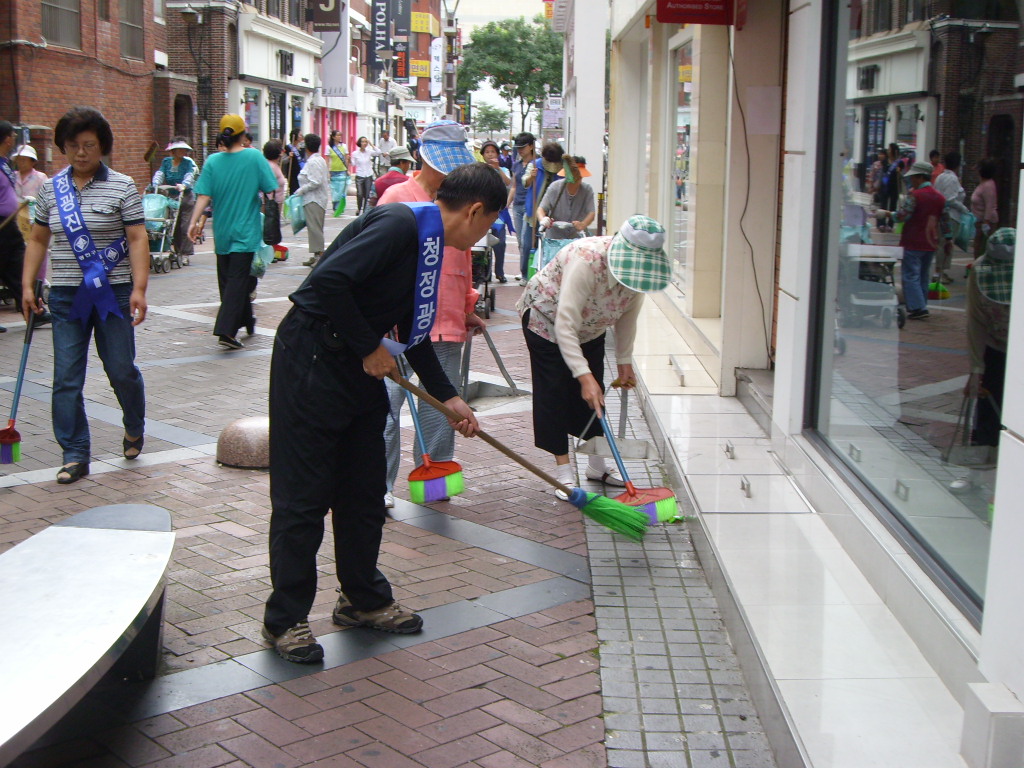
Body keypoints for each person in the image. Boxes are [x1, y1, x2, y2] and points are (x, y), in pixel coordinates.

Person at [261, 162, 506, 663]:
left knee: (363, 490)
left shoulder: (433, 244)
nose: (484, 239)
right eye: (488, 226)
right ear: (476, 210)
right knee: (303, 499)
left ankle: (362, 600)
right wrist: (368, 344)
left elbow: (412, 331)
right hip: (312, 361)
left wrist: (448, 394)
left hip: (359, 367)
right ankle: (285, 620)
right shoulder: (400, 224)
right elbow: (324, 284)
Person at [21, 107, 150, 484]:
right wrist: (28, 285)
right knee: (66, 378)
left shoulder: (122, 186)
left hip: (113, 293)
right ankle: (75, 453)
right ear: (63, 146)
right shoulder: (50, 190)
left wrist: (140, 288)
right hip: (64, 295)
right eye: (73, 145)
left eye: (89, 145)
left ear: (102, 146)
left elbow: (137, 237)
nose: (81, 153)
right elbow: (39, 239)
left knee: (122, 370)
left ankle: (134, 423)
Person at [516, 215, 671, 499]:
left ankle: (597, 466)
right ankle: (564, 473)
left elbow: (627, 319)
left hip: (592, 327)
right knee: (555, 392)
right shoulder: (587, 261)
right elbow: (565, 324)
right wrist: (582, 375)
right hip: (546, 320)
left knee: (594, 393)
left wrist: (624, 362)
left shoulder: (638, 274)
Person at [377, 121, 481, 509]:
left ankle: (434, 481)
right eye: (443, 165)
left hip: (448, 316)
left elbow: (465, 255)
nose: (448, 173)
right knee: (387, 407)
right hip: (398, 323)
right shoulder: (396, 197)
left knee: (441, 407)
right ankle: (380, 486)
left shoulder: (458, 199)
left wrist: (468, 305)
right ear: (422, 157)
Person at [187, 114, 278, 349]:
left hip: (222, 232)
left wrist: (193, 222)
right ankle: (226, 331)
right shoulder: (254, 157)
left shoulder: (213, 161)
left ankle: (247, 320)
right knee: (237, 283)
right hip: (246, 231)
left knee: (230, 282)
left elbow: (204, 196)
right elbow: (270, 187)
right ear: (244, 135)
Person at [965, 227, 1014, 454]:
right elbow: (976, 322)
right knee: (988, 407)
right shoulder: (978, 271)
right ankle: (978, 468)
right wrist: (976, 368)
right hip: (995, 348)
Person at [878, 160, 946, 320]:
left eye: (914, 177)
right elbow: (945, 221)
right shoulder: (940, 198)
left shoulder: (915, 195)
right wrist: (948, 239)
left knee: (910, 275)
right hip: (931, 242)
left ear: (921, 177)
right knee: (923, 275)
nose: (912, 180)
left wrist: (887, 214)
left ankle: (917, 307)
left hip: (913, 240)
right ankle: (922, 303)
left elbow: (903, 216)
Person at [521, 141, 565, 283]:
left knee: (550, 246)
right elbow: (524, 182)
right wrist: (531, 177)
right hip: (533, 212)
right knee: (527, 244)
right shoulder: (535, 164)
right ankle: (525, 274)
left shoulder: (564, 167)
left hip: (554, 215)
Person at [0, 122, 28, 334]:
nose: (13, 140)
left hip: (10, 224)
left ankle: (31, 310)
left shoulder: (5, 163)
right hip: (2, 224)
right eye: (12, 136)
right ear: (7, 138)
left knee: (16, 266)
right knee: (12, 265)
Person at [150, 137, 197, 260]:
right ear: (173, 151)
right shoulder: (166, 162)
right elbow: (160, 173)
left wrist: (184, 185)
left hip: (185, 196)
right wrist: (156, 183)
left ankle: (186, 253)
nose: (182, 152)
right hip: (171, 196)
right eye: (179, 149)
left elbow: (190, 175)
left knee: (185, 226)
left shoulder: (187, 163)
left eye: (184, 150)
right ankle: (176, 251)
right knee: (172, 224)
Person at [537, 155, 596, 236]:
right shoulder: (555, 187)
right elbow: (541, 209)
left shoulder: (587, 190)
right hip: (554, 238)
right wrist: (543, 220)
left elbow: (591, 213)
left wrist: (583, 224)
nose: (578, 179)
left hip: (576, 238)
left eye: (580, 176)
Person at [933, 151, 968, 285]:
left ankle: (939, 272)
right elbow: (951, 200)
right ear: (958, 165)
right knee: (946, 244)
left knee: (942, 244)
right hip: (950, 216)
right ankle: (940, 273)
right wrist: (963, 208)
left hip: (941, 215)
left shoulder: (940, 177)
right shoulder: (952, 179)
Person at [295, 133, 329, 268]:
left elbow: (316, 181)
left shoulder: (314, 161)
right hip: (312, 199)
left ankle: (320, 255)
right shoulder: (316, 160)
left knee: (315, 228)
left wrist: (301, 190)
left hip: (314, 199)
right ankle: (316, 254)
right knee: (313, 228)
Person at [481, 140, 510, 282]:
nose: (490, 154)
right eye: (487, 152)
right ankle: (484, 271)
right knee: (482, 243)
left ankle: (499, 272)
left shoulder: (503, 170)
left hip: (499, 213)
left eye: (492, 151)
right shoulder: (479, 170)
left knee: (500, 242)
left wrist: (498, 169)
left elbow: (508, 183)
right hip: (483, 212)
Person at [509, 132, 536, 281]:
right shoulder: (517, 165)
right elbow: (514, 186)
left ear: (531, 146)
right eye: (518, 147)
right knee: (520, 241)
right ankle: (523, 270)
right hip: (517, 205)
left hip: (531, 206)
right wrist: (506, 205)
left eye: (523, 147)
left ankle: (526, 274)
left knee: (527, 242)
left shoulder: (537, 165)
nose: (520, 150)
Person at [12, 144, 47, 243]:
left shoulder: (41, 178)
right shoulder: (12, 176)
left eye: (24, 160)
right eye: (19, 159)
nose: (21, 163)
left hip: (34, 217)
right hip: (16, 217)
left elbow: (46, 198)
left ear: (32, 162)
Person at [262, 139, 289, 261]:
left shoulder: (274, 165)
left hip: (275, 203)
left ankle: (272, 251)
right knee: (268, 228)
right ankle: (268, 252)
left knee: (271, 228)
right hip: (270, 203)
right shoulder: (270, 166)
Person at [971, 158, 999, 261]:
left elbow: (989, 205)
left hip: (986, 222)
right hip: (980, 221)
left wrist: (986, 223)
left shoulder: (987, 185)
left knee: (981, 248)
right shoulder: (983, 183)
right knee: (978, 248)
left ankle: (980, 270)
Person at [349, 136, 380, 215]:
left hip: (368, 175)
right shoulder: (355, 153)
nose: (364, 143)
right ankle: (359, 208)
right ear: (359, 143)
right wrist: (349, 160)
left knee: (367, 194)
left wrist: (371, 144)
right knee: (359, 193)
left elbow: (378, 152)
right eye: (363, 142)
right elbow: (353, 164)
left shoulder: (369, 151)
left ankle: (364, 211)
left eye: (366, 142)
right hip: (359, 175)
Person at [327, 130, 349, 216]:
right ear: (333, 137)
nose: (339, 137)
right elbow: (327, 160)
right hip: (333, 171)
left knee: (341, 190)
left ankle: (339, 207)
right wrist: (327, 171)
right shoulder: (329, 147)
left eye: (340, 135)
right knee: (334, 190)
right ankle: (335, 205)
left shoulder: (344, 146)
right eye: (338, 135)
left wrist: (348, 169)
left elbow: (346, 158)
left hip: (342, 170)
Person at [283, 128, 305, 195]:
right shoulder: (288, 147)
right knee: (294, 192)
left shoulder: (302, 147)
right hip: (293, 175)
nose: (302, 136)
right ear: (295, 136)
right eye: (300, 135)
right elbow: (283, 161)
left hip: (302, 173)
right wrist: (289, 157)